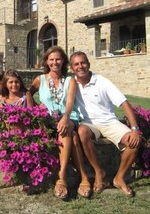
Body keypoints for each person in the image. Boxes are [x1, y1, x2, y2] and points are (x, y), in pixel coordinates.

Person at [69, 51, 140, 197]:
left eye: (83, 62)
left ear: (88, 64)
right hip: (88, 123)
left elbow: (124, 103)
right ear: (72, 68)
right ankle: (99, 172)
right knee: (82, 131)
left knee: (134, 143)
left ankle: (119, 178)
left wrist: (134, 128)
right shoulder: (71, 84)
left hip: (109, 122)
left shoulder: (102, 82)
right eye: (76, 64)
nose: (80, 66)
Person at [29, 46, 91, 199]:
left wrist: (65, 117)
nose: (55, 62)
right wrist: (36, 108)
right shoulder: (40, 79)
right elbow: (27, 94)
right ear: (46, 62)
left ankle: (61, 177)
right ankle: (84, 177)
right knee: (74, 138)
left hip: (69, 118)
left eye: (58, 59)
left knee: (66, 129)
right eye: (51, 59)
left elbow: (70, 101)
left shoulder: (70, 80)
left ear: (63, 61)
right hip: (48, 121)